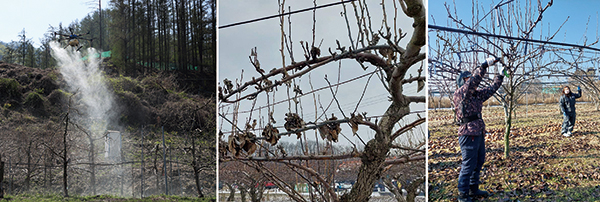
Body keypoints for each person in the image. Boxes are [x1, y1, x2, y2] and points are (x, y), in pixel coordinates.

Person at [453, 57, 506, 202]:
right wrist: (483, 66)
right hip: (468, 132)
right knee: (468, 163)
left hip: (478, 131)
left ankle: (473, 188)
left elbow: (491, 89)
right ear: (463, 81)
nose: (470, 80)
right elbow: (473, 82)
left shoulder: (476, 96)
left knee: (479, 161)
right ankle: (463, 194)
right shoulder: (461, 94)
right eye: (467, 79)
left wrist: (500, 76)